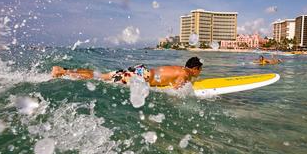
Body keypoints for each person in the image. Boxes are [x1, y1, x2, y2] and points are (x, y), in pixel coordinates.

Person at [51, 56, 203, 88]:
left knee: (102, 76)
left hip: (140, 70)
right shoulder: (185, 74)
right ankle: (63, 72)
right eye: (200, 70)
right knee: (101, 79)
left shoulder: (179, 68)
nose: (200, 72)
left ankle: (64, 70)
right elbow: (176, 90)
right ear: (195, 69)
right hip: (140, 77)